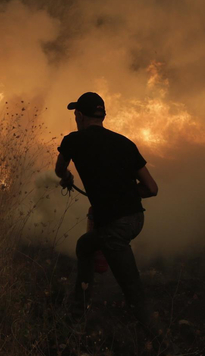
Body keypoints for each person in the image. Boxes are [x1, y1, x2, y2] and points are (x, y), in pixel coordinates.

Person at [54, 92, 159, 329]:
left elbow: (60, 169)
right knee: (86, 245)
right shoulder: (125, 143)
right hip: (135, 219)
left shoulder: (73, 140)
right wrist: (127, 194)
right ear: (102, 116)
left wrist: (67, 177)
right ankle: (78, 314)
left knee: (133, 291)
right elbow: (152, 188)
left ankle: (164, 344)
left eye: (75, 114)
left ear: (79, 115)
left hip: (116, 227)